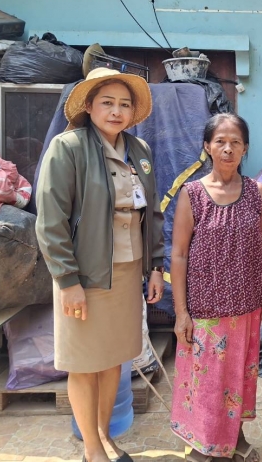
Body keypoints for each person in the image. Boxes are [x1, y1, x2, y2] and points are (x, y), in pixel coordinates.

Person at [36, 67, 165, 462]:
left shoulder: (139, 150)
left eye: (124, 104)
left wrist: (155, 267)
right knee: (83, 362)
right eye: (107, 102)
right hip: (84, 274)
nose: (116, 111)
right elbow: (51, 219)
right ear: (89, 106)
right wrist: (67, 280)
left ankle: (106, 437)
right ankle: (92, 449)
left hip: (127, 272)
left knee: (114, 359)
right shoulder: (68, 147)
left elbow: (152, 213)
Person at [170, 113, 262, 462]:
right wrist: (181, 313)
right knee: (206, 381)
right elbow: (179, 254)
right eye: (220, 141)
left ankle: (236, 436)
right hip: (205, 309)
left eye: (235, 142)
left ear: (245, 148)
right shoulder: (193, 194)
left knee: (239, 377)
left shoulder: (256, 192)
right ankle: (203, 443)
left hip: (246, 306)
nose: (228, 149)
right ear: (207, 146)